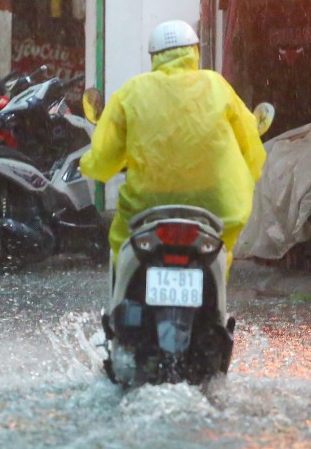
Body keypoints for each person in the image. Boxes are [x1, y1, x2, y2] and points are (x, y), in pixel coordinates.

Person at [80, 20, 267, 274]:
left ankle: (119, 308)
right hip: (215, 206)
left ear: (153, 57)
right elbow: (249, 141)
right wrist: (251, 173)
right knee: (219, 254)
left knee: (123, 248)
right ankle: (216, 306)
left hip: (148, 205)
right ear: (195, 51)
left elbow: (104, 156)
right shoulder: (217, 85)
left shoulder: (131, 92)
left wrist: (90, 167)